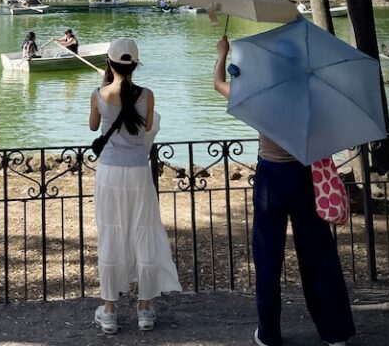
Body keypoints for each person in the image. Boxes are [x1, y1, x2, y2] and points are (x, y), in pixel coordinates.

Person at [213, 35, 355, 346]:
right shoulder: (313, 94)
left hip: (271, 179)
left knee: (268, 256)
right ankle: (334, 333)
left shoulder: (261, 94)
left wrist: (222, 54)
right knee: (318, 254)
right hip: (305, 178)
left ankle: (268, 334)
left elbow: (218, 84)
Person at [89, 37, 182, 334]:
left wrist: (106, 89)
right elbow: (145, 127)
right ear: (135, 66)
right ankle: (144, 309)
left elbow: (93, 126)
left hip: (109, 174)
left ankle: (110, 310)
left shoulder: (98, 94)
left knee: (110, 233)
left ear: (109, 63)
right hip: (138, 172)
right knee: (144, 233)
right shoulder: (148, 95)